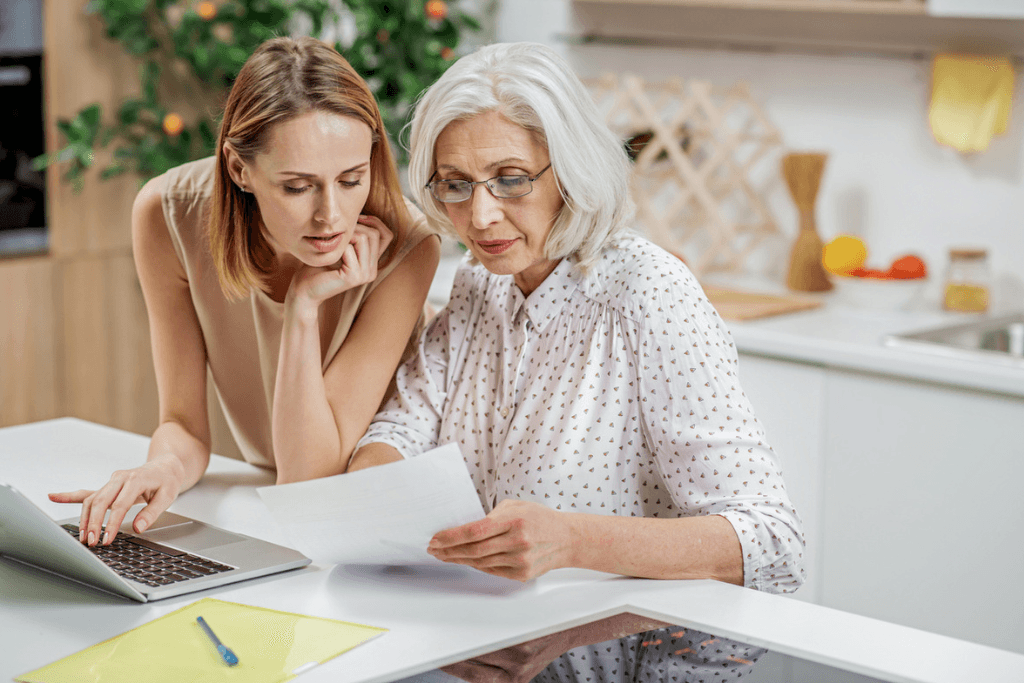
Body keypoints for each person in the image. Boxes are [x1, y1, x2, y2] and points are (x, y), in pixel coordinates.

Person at [348, 42, 805, 683]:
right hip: (477, 654)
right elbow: (401, 427)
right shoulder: (480, 283)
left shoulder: (648, 293)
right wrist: (365, 500)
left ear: (569, 168)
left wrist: (573, 540)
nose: (480, 216)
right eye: (455, 185)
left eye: (511, 179)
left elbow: (770, 542)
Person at [49, 36, 440, 548]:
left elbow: (311, 485)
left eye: (351, 179)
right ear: (239, 169)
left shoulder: (407, 248)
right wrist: (164, 466)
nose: (332, 215)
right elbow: (184, 424)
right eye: (297, 187)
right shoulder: (169, 216)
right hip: (272, 505)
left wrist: (303, 307)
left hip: (370, 521)